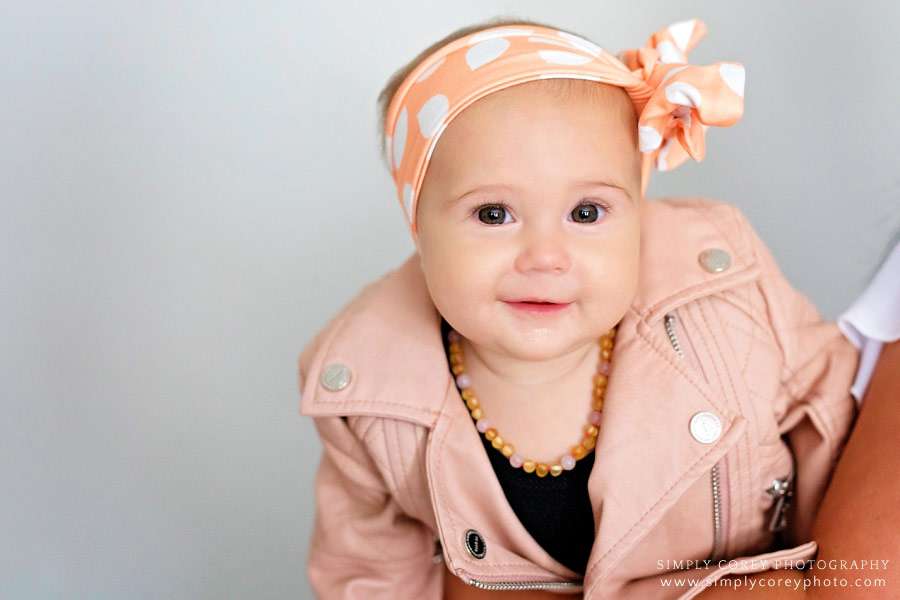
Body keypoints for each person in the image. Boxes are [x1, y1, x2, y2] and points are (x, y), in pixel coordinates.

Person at [298, 16, 860, 599]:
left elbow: (835, 419)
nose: (545, 257)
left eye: (586, 214)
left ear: (638, 212)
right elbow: (368, 571)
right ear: (418, 226)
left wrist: (825, 584)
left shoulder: (727, 290)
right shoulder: (365, 387)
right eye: (494, 215)